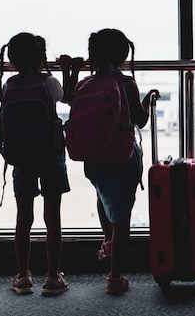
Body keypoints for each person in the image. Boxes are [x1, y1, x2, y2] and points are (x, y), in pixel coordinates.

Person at [58, 28, 158, 295]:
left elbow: (67, 97)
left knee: (104, 200)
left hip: (92, 158)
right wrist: (148, 100)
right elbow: (140, 119)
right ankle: (114, 276)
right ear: (124, 56)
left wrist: (74, 70)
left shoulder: (85, 84)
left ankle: (108, 242)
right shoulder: (127, 84)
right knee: (122, 217)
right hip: (121, 157)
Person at [0, 32, 70, 296]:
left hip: (21, 158)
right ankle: (52, 277)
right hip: (50, 155)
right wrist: (65, 69)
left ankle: (23, 276)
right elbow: (66, 96)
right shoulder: (49, 83)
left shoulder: (9, 86)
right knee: (53, 218)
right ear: (42, 58)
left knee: (23, 219)